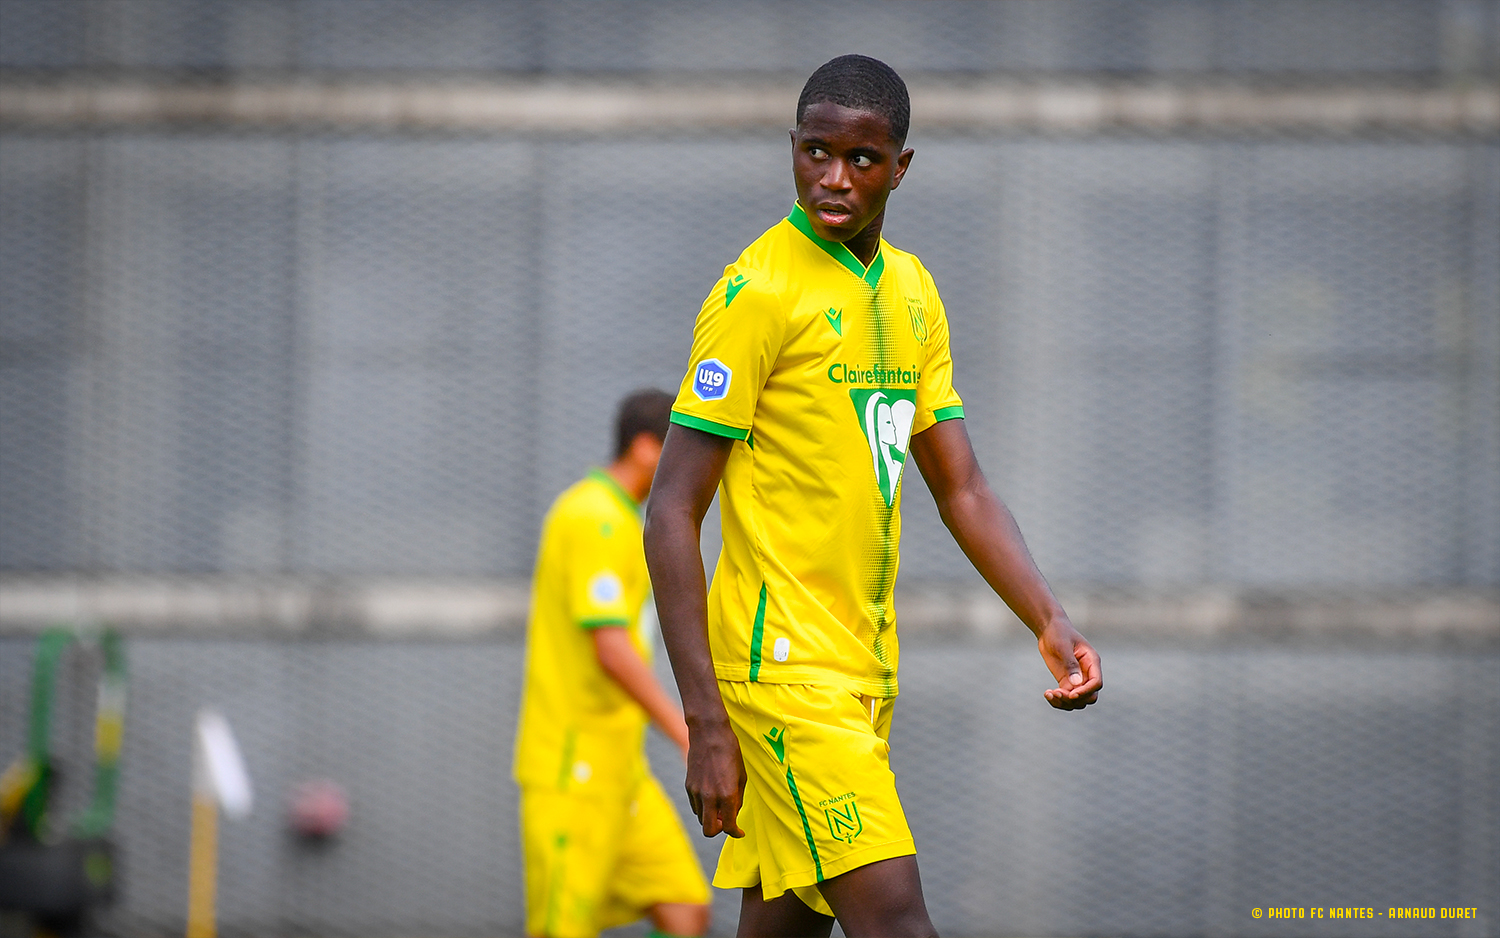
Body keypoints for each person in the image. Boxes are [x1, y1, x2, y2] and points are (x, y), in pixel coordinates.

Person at [642, 55, 1103, 937]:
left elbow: (960, 484)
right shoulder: (757, 292)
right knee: (896, 919)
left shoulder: (912, 290)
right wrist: (706, 718)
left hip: (863, 673)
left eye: (862, 159)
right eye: (816, 152)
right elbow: (671, 509)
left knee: (785, 925)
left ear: (901, 166)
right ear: (793, 149)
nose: (834, 178)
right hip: (784, 679)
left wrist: (1047, 617)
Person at [513, 388, 711, 938]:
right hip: (573, 771)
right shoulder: (592, 514)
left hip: (621, 772)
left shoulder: (624, 520)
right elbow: (610, 647)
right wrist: (689, 731)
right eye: (683, 445)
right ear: (648, 449)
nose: (694, 460)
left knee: (683, 907)